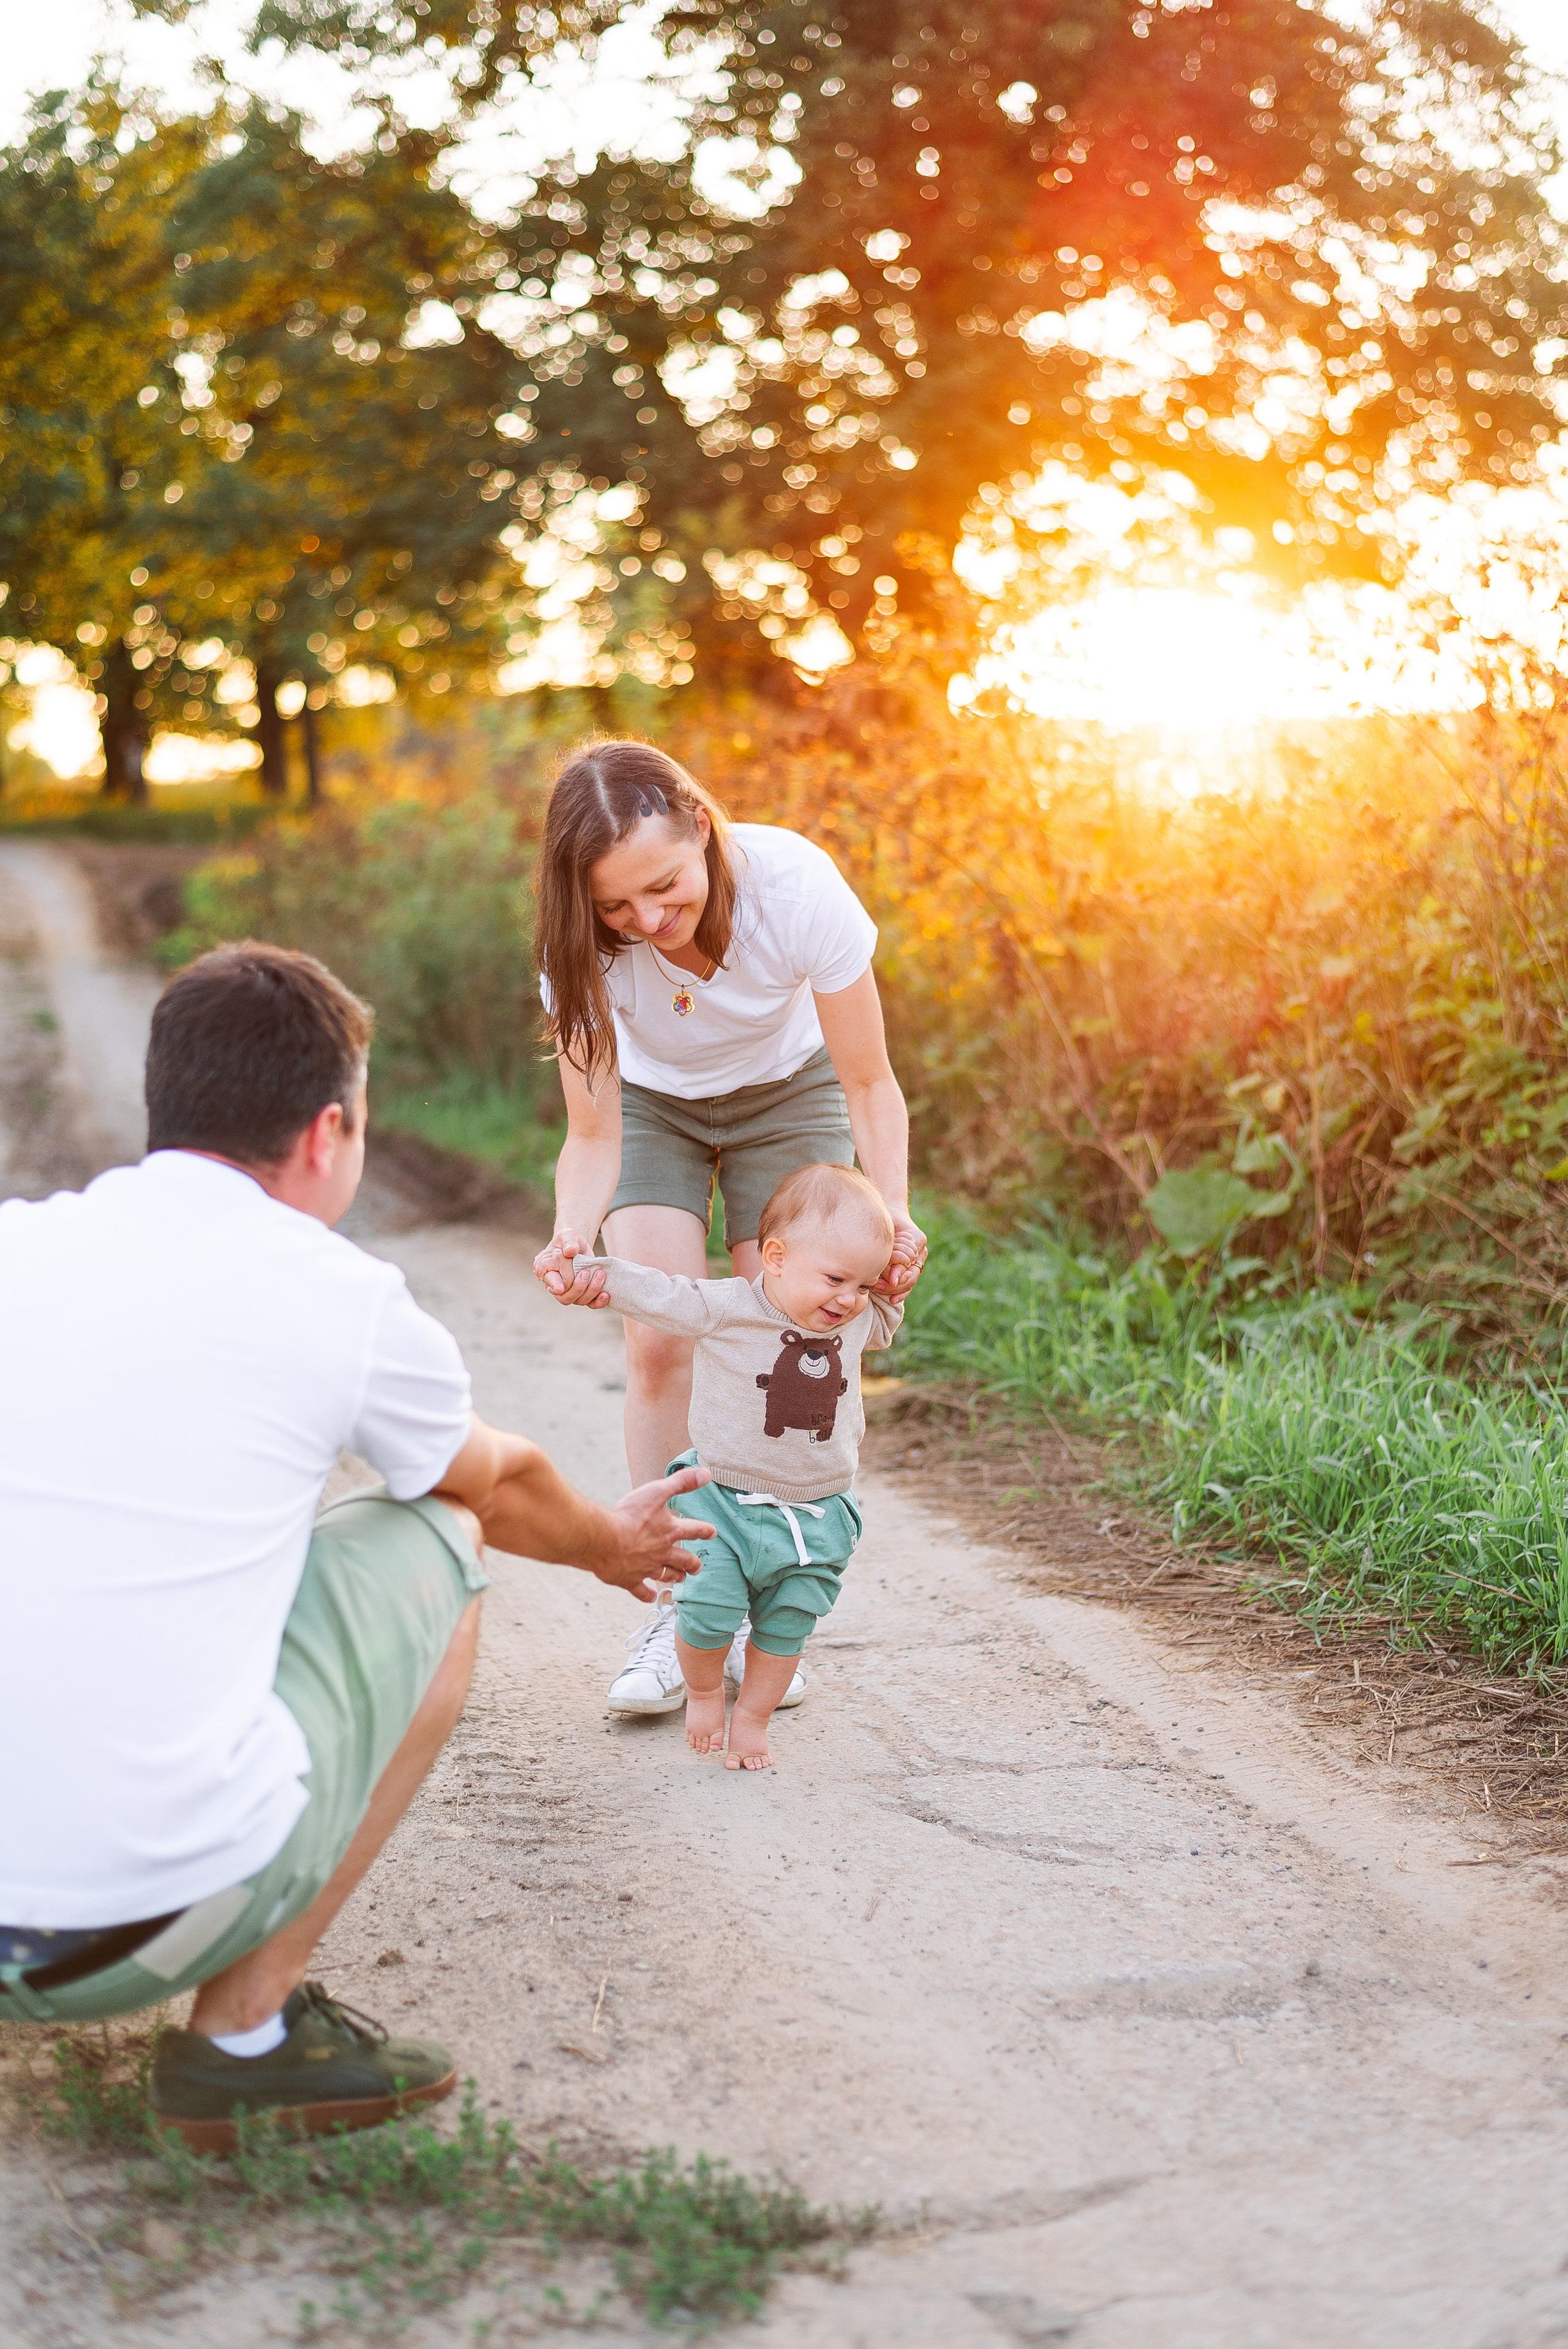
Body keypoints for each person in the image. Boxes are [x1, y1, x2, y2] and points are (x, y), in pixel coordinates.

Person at [0, 943, 711, 2152]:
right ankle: (241, 2044)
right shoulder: (339, 1297)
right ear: (329, 1132)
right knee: (435, 1538)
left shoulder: (21, 1247)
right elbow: (494, 1483)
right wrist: (605, 1547)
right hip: (119, 1937)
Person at [529, 739, 927, 1720]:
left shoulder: (795, 887)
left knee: (786, 1332)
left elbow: (869, 1080)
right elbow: (592, 1131)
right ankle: (678, 1607)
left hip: (787, 1096)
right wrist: (572, 1230)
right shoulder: (576, 948)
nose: (650, 922)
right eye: (618, 907)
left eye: (665, 888)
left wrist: (894, 1208)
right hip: (653, 1113)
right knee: (661, 1340)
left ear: (702, 827)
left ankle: (759, 1609)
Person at [562, 1163, 902, 1769]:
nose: (849, 1298)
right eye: (835, 1279)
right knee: (708, 1605)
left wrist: (891, 1280)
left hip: (817, 1512)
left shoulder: (855, 1318)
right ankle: (701, 1689)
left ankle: (753, 1716)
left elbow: (885, 1316)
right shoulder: (726, 1309)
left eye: (864, 1284)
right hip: (722, 1502)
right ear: (774, 1257)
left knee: (788, 1626)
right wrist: (591, 1275)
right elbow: (661, 1294)